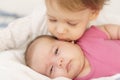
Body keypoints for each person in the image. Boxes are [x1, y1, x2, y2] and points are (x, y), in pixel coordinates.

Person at [0, 0, 110, 51]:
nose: (60, 30)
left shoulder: (100, 25)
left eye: (71, 23)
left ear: (93, 14)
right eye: (52, 20)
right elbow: (10, 35)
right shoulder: (39, 20)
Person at [25, 24, 120, 80]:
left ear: (66, 40)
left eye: (56, 51)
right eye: (51, 69)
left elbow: (111, 31)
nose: (59, 62)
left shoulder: (88, 37)